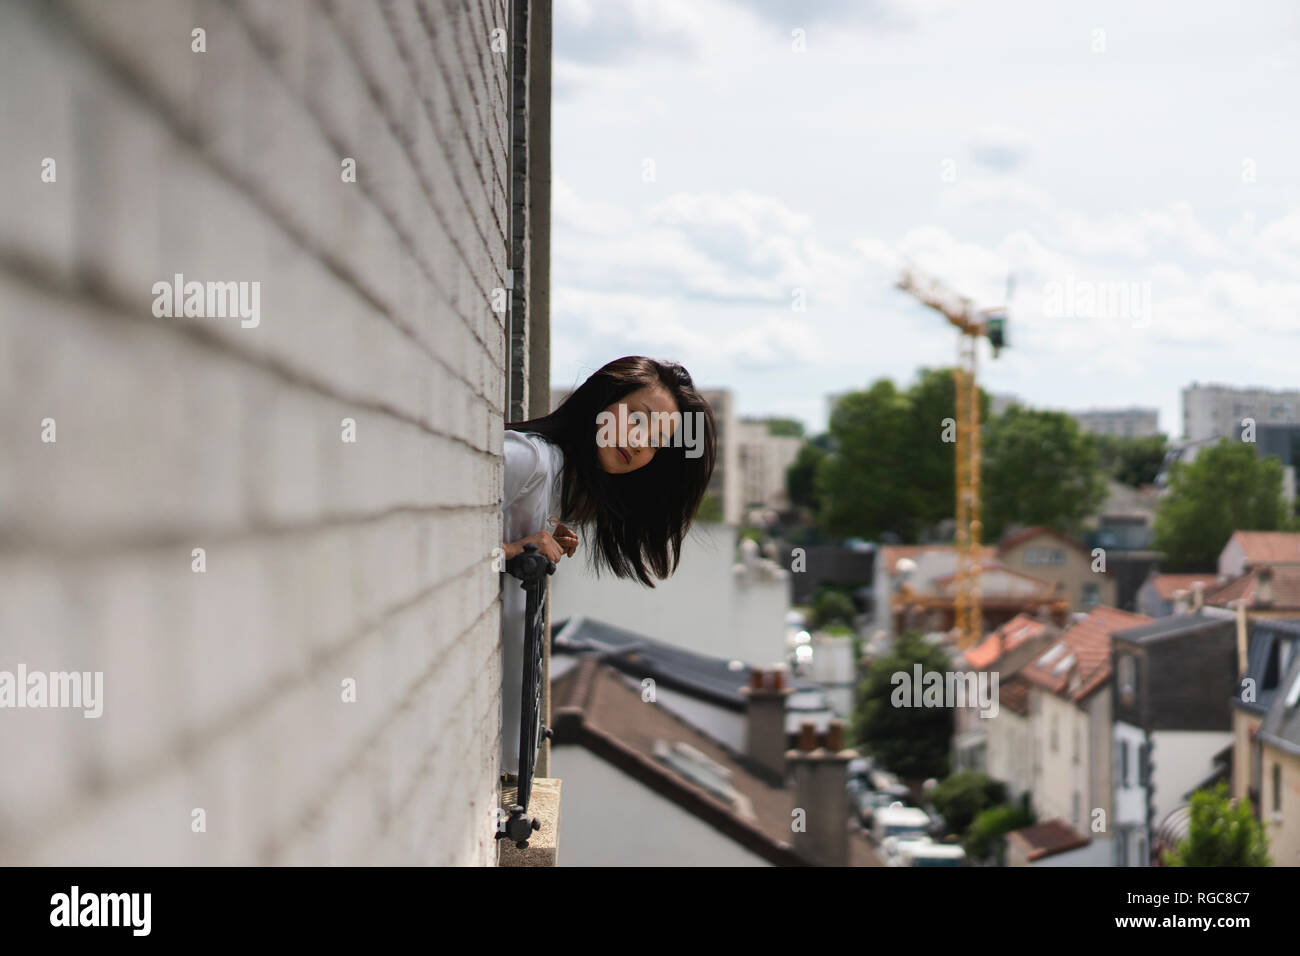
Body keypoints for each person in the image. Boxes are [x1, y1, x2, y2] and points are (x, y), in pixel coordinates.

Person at [498, 356, 717, 776]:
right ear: (602, 398)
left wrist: (526, 541)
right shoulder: (525, 461)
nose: (638, 443)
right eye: (637, 419)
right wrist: (512, 551)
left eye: (655, 442)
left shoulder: (553, 489)